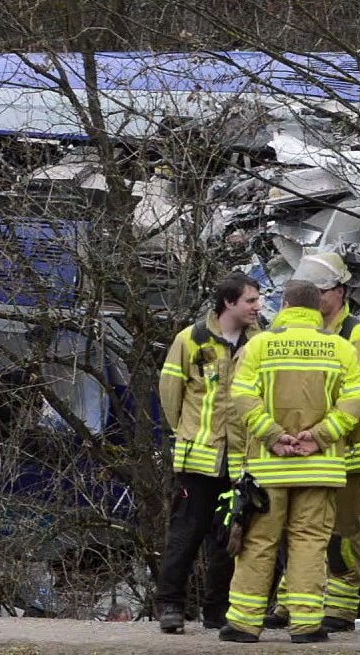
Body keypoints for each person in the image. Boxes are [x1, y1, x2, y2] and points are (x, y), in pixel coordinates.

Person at [219, 280, 360, 644]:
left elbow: (241, 395)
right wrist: (320, 436)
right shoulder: (340, 348)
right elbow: (357, 398)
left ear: (285, 304)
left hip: (271, 465)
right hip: (320, 466)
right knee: (309, 542)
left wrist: (272, 434)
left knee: (259, 541)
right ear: (318, 306)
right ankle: (305, 625)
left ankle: (243, 624)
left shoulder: (259, 345)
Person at [263, 252, 360, 634]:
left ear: (340, 293)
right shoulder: (302, 333)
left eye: (321, 291)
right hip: (302, 450)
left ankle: (341, 606)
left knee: (342, 530)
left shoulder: (355, 333)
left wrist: (326, 434)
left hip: (344, 451)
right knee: (298, 532)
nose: (314, 298)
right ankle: (291, 603)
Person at [155, 272, 262, 634]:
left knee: (229, 540)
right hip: (198, 461)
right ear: (228, 302)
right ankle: (170, 605)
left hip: (241, 462)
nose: (256, 306)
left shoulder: (259, 342)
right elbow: (170, 394)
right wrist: (186, 433)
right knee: (186, 535)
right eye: (250, 300)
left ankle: (217, 610)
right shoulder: (190, 340)